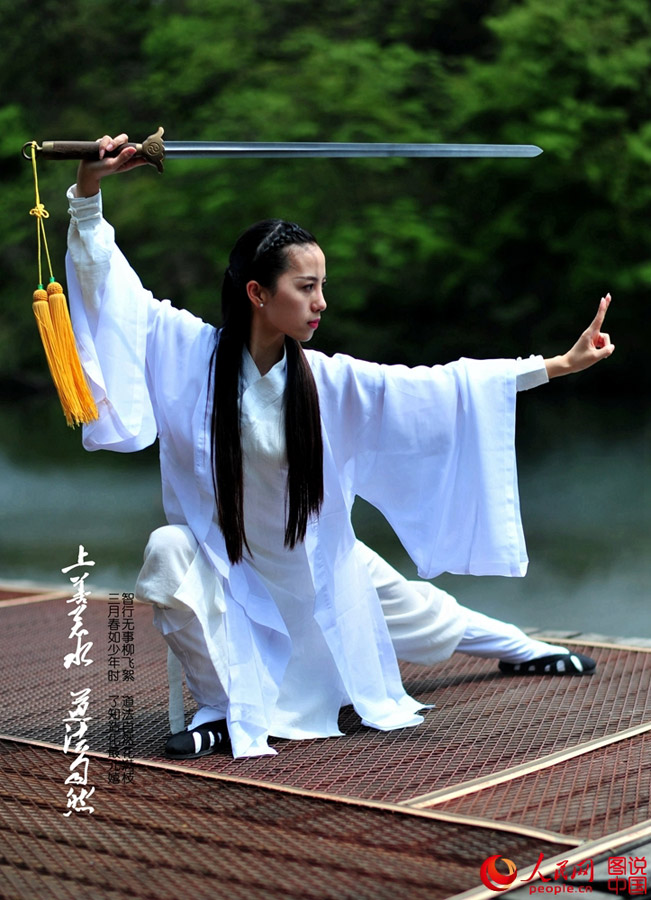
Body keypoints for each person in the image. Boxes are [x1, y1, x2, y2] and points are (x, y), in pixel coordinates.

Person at [65, 134, 614, 760]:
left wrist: (554, 366)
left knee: (435, 622)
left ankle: (528, 648)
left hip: (318, 568)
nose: (321, 302)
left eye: (322, 285)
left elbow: (439, 387)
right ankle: (222, 710)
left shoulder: (327, 380)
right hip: (229, 563)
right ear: (257, 293)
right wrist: (89, 192)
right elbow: (111, 290)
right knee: (167, 554)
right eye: (306, 286)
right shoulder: (188, 352)